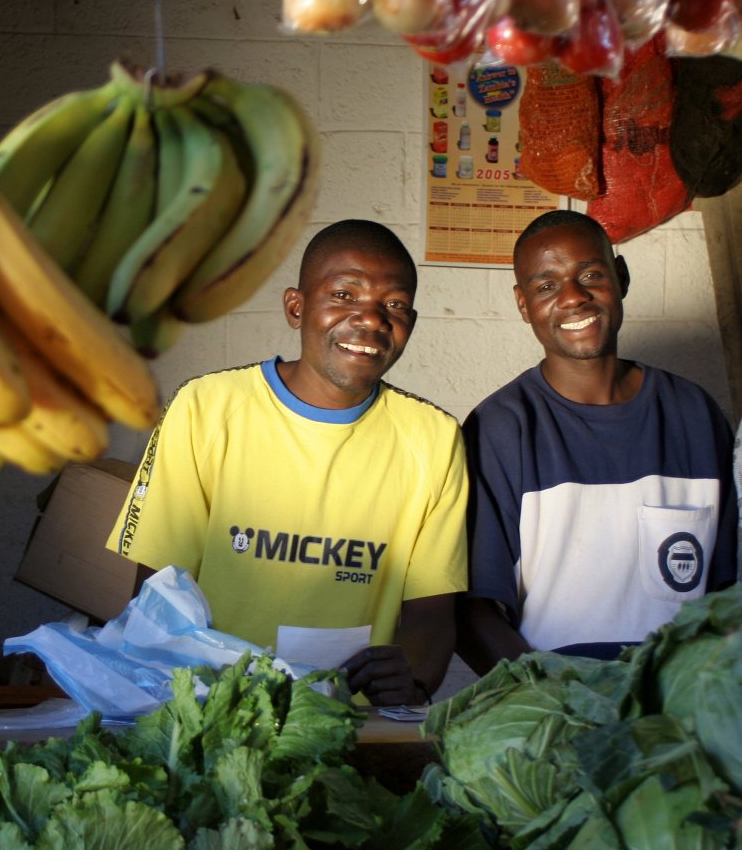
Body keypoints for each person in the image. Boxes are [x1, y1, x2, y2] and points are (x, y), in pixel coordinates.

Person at [107, 219, 468, 706]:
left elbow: (432, 612)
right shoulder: (204, 408)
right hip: (212, 713)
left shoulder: (434, 438)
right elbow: (157, 592)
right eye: (344, 294)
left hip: (345, 725)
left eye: (394, 305)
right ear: (296, 308)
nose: (370, 319)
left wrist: (415, 680)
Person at [458, 209, 739, 675]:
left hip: (676, 720)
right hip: (559, 720)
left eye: (589, 274)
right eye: (546, 286)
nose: (573, 297)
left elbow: (728, 593)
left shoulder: (695, 414)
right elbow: (472, 612)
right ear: (523, 304)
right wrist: (554, 699)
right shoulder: (500, 428)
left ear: (621, 276)